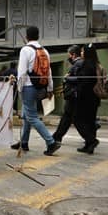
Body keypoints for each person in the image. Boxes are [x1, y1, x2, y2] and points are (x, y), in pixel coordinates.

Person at [11, 26, 61, 156]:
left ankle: (51, 142)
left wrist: (19, 88)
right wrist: (50, 88)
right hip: (40, 87)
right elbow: (48, 71)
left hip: (27, 86)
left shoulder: (25, 50)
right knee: (27, 114)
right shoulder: (45, 51)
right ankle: (24, 142)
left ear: (26, 37)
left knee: (32, 116)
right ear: (38, 36)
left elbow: (21, 72)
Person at [52, 45, 91, 148]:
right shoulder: (78, 63)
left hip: (74, 95)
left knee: (75, 119)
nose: (68, 57)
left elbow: (79, 79)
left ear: (73, 55)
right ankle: (57, 136)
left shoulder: (78, 64)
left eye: (69, 55)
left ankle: (91, 139)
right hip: (73, 95)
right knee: (67, 118)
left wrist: (67, 78)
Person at [75, 43, 101, 154]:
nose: (81, 53)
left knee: (77, 120)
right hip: (94, 99)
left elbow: (84, 83)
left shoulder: (87, 65)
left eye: (82, 51)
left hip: (85, 99)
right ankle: (89, 146)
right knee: (90, 122)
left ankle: (91, 141)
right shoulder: (96, 64)